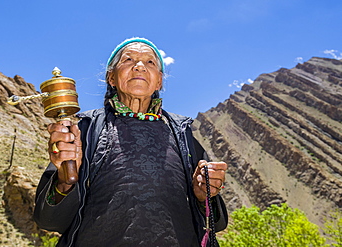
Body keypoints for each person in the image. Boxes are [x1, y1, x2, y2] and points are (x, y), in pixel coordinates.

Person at [34, 37, 228, 247]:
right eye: (128, 60)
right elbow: (48, 220)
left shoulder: (184, 134)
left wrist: (203, 195)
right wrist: (65, 181)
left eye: (150, 62)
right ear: (111, 78)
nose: (139, 66)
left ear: (159, 81)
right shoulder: (84, 130)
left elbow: (216, 224)